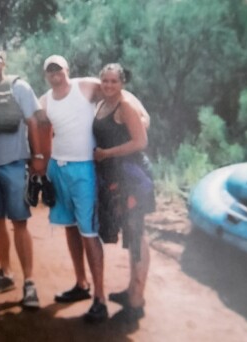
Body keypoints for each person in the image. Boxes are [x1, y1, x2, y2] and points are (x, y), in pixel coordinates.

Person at [0, 49, 45, 309]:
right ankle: (5, 273)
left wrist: (37, 156)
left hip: (14, 164)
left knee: (20, 221)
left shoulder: (19, 87)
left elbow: (34, 122)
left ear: (3, 64)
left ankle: (30, 282)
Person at [36, 55, 108, 323]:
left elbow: (115, 92)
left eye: (59, 69)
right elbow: (35, 126)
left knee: (89, 231)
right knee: (69, 227)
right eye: (50, 71)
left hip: (84, 168)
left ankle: (100, 297)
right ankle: (81, 283)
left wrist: (139, 112)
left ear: (67, 69)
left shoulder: (85, 86)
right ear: (46, 75)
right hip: (58, 167)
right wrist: (39, 166)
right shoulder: (45, 100)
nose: (55, 75)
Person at [93, 63, 155, 321]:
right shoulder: (102, 104)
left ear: (122, 83)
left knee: (136, 234)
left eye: (114, 82)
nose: (109, 86)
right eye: (105, 81)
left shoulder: (125, 105)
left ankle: (137, 298)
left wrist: (107, 153)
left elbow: (141, 141)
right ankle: (131, 289)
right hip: (115, 177)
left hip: (132, 176)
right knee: (130, 235)